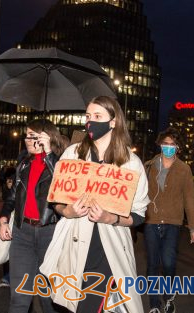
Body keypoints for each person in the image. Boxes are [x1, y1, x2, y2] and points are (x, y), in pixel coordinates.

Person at [49, 95, 150, 313]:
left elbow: (140, 214)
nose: (90, 121)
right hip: (74, 243)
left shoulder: (130, 163)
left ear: (113, 122)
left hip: (108, 248)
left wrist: (110, 218)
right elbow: (55, 200)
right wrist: (67, 211)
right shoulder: (73, 155)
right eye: (87, 116)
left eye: (97, 116)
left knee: (89, 306)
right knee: (72, 305)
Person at [0, 118, 70, 313]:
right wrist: (3, 219)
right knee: (19, 298)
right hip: (22, 234)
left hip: (50, 234)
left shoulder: (62, 162)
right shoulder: (24, 164)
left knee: (49, 298)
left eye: (32, 136)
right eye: (27, 135)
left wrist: (48, 154)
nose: (27, 140)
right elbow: (12, 198)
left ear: (46, 138)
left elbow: (64, 184)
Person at [143, 127, 194, 313]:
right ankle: (154, 305)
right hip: (151, 221)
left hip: (173, 223)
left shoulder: (184, 169)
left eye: (172, 145)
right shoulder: (148, 166)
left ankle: (168, 298)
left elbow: (189, 199)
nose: (168, 147)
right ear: (160, 145)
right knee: (152, 264)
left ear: (178, 148)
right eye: (165, 144)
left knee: (168, 263)